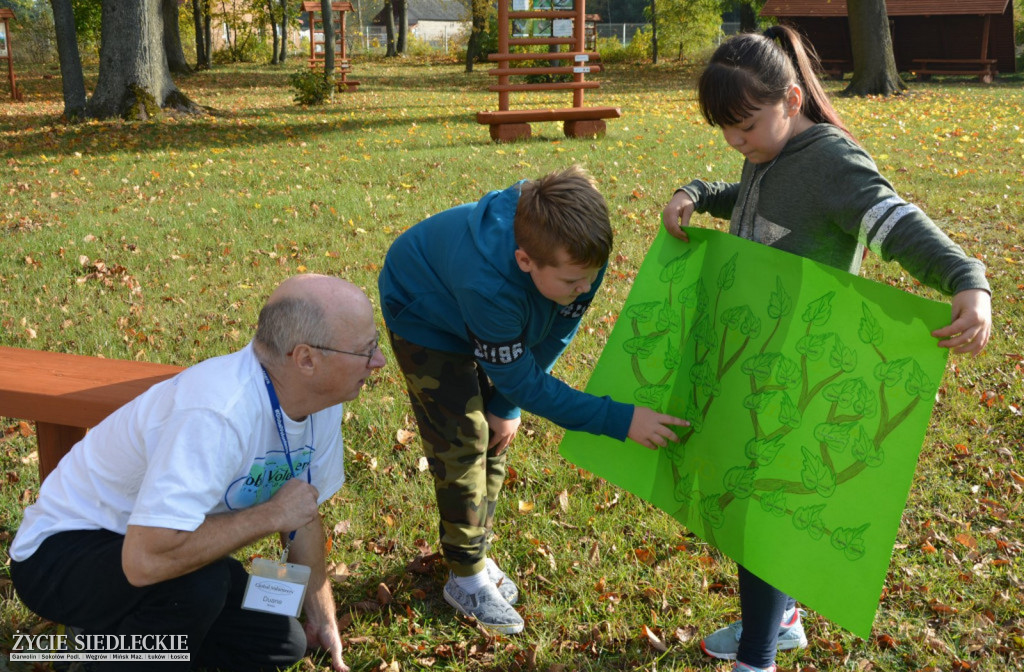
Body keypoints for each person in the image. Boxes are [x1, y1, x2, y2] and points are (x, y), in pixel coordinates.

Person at [660, 26, 992, 672]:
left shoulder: (830, 162)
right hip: (751, 362)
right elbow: (748, 199)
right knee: (742, 497)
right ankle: (781, 620)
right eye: (725, 132)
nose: (736, 143)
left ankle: (757, 659)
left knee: (764, 519)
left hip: (802, 367)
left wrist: (966, 279)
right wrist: (698, 193)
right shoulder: (765, 152)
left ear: (790, 98)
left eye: (745, 127)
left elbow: (893, 221)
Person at [9, 274, 386, 672]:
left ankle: (117, 637)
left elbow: (302, 514)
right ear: (306, 358)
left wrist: (322, 617)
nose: (378, 361)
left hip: (168, 541)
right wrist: (271, 514)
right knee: (198, 587)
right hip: (63, 553)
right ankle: (102, 650)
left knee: (281, 643)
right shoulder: (216, 413)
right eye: (365, 351)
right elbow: (144, 561)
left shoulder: (321, 400)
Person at [379, 165, 689, 635]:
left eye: (591, 277)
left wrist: (506, 406)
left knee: (497, 434)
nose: (585, 288)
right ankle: (463, 577)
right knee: (463, 437)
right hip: (424, 311)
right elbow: (525, 381)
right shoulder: (490, 286)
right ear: (526, 261)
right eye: (572, 281)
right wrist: (620, 420)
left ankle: (475, 552)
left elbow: (555, 329)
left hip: (488, 305)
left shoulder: (582, 256)